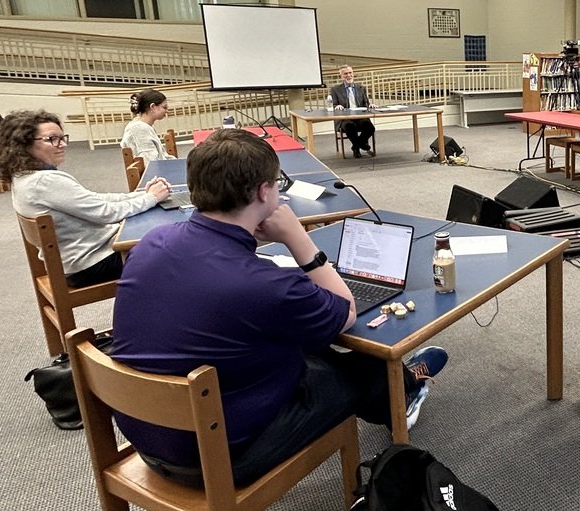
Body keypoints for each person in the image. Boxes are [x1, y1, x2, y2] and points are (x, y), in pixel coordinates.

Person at [110, 129, 447, 487]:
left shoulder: (151, 243)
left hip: (149, 439)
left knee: (298, 340)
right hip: (218, 460)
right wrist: (297, 238)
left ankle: (401, 383)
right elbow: (346, 311)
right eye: (276, 184)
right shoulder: (264, 285)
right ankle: (405, 390)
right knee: (366, 369)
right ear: (263, 192)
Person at [0, 110, 170, 288]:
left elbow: (94, 199)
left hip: (78, 260)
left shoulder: (24, 177)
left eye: (62, 138)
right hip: (91, 264)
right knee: (174, 249)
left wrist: (141, 194)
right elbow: (106, 213)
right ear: (23, 145)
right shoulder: (44, 182)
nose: (62, 144)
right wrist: (151, 198)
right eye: (52, 139)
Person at [329, 65, 376, 157]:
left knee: (369, 127)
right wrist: (337, 106)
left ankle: (357, 145)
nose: (349, 75)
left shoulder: (361, 88)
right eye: (345, 74)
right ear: (341, 76)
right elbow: (333, 104)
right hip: (345, 118)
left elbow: (366, 103)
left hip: (360, 116)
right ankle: (359, 147)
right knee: (350, 126)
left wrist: (370, 105)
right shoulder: (335, 89)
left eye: (350, 73)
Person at [120, 89, 175, 163]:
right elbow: (150, 162)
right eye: (164, 107)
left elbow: (161, 156)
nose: (167, 111)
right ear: (152, 107)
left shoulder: (145, 126)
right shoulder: (139, 128)